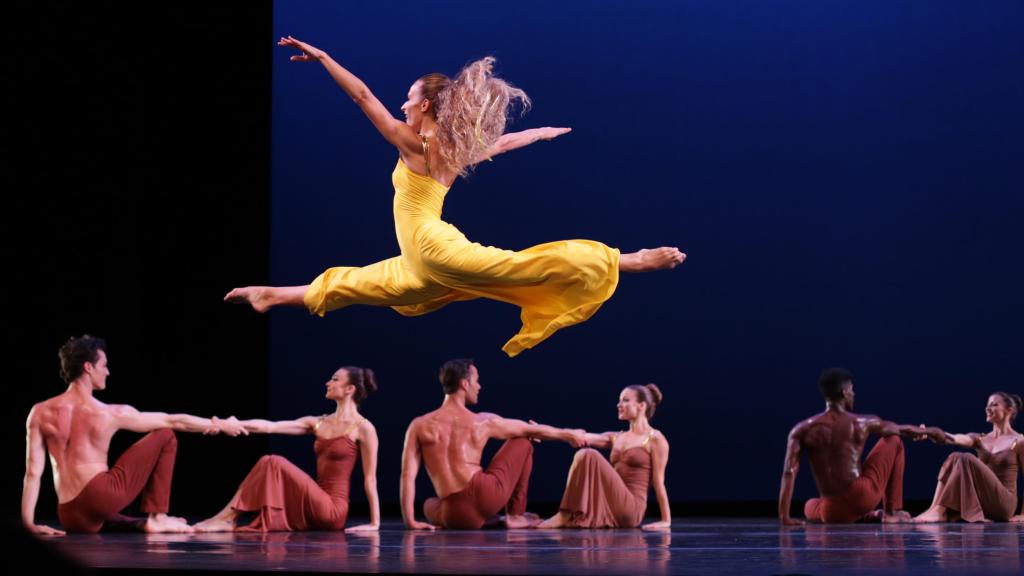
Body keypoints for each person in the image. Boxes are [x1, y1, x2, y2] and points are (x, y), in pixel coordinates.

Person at [225, 36, 686, 357]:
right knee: (358, 285)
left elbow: (363, 97)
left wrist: (324, 58)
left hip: (431, 246)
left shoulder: (418, 146)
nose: (401, 105)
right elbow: (499, 144)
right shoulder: (451, 149)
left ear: (425, 105)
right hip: (420, 260)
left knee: (516, 265)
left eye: (407, 99)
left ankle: (631, 260)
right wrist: (537, 135)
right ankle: (270, 295)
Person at [22, 335, 245, 535]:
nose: (108, 372)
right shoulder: (106, 412)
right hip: (100, 498)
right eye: (104, 365)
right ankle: (157, 517)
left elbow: (33, 473)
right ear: (88, 367)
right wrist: (220, 424)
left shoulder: (40, 412)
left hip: (70, 515)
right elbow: (174, 420)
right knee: (166, 434)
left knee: (106, 513)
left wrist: (29, 524)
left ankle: (142, 525)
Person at [400, 359, 587, 529]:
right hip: (485, 496)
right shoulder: (481, 421)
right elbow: (531, 430)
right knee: (522, 441)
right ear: (464, 384)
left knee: (428, 505)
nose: (479, 386)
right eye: (476, 381)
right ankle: (514, 515)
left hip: (456, 515)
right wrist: (568, 434)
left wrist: (411, 522)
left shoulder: (419, 425)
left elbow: (407, 475)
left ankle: (487, 519)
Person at [194, 366, 381, 532]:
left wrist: (375, 523)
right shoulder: (318, 422)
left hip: (333, 510)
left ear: (350, 389)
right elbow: (270, 426)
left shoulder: (364, 428)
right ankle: (225, 519)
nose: (327, 382)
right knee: (268, 462)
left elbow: (370, 478)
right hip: (312, 505)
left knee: (274, 462)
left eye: (335, 379)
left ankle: (225, 519)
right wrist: (231, 423)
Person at [778, 368, 945, 525]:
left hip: (832, 512)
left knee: (810, 506)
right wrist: (932, 431)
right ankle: (890, 512)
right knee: (894, 440)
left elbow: (789, 471)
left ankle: (867, 514)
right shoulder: (860, 422)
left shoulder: (801, 430)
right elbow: (901, 430)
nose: (854, 393)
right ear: (844, 392)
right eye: (852, 389)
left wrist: (785, 516)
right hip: (863, 496)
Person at [538, 384, 671, 530]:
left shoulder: (655, 439)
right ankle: (570, 514)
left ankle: (564, 515)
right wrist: (539, 431)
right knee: (583, 454)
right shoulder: (615, 437)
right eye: (620, 400)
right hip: (610, 503)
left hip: (631, 509)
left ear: (641, 406)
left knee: (588, 454)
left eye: (625, 400)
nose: (619, 405)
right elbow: (577, 437)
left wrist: (666, 520)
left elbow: (659, 482)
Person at [914, 392, 1024, 523]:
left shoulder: (1019, 441)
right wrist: (930, 433)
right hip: (983, 502)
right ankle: (935, 509)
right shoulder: (980, 438)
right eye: (987, 405)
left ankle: (940, 511)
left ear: (1009, 411)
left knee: (966, 458)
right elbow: (954, 438)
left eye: (994, 404)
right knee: (955, 456)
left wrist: (1023, 514)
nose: (987, 408)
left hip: (1004, 504)